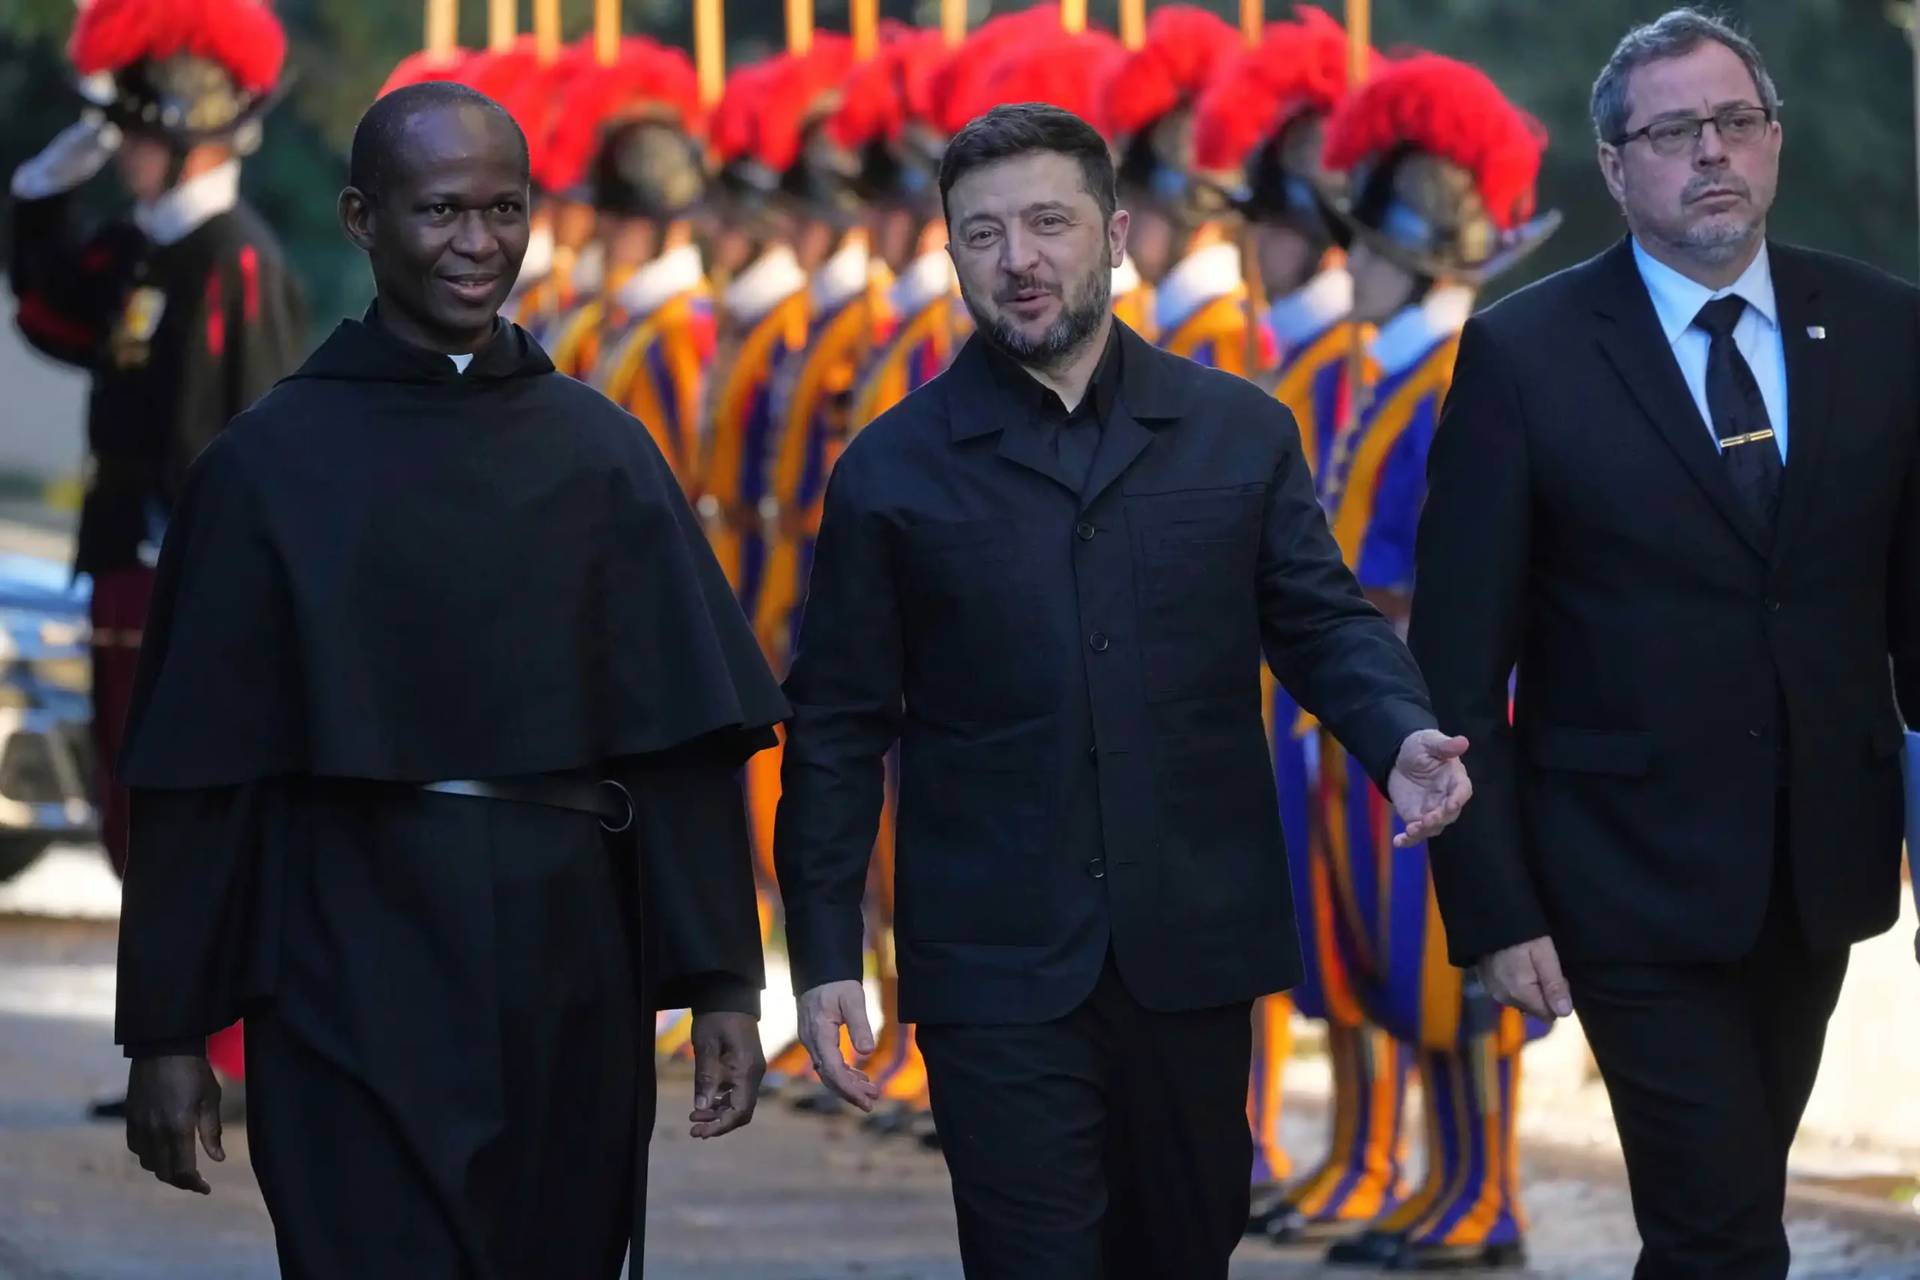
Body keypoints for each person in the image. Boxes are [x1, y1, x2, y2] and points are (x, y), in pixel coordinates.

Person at [775, 101, 1473, 1279]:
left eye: (1049, 222)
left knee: (1178, 1252)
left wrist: (1396, 730)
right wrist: (826, 948)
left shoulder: (1236, 432)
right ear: (951, 255)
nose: (1020, 259)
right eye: (984, 234)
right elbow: (839, 724)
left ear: (1116, 232)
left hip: (1191, 951)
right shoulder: (890, 469)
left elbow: (1318, 619)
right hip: (991, 966)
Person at [113, 82, 783, 1278]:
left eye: (505, 208)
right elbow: (195, 773)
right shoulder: (265, 467)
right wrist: (165, 1026)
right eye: (441, 211)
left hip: (566, 954)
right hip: (344, 946)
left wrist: (726, 978)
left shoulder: (601, 450)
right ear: (364, 218)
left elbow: (680, 742)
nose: (480, 244)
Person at [1408, 10, 1919, 1277]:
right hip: (1621, 880)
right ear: (1616, 163)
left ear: (1776, 144)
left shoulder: (1883, 328)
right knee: (1720, 1227)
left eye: (1735, 122)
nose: (1712, 152)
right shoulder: (1525, 355)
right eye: (1675, 130)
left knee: (1720, 1212)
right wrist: (1493, 909)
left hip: (1819, 871)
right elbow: (1462, 663)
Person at [8, 0, 306, 1105]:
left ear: (186, 133)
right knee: (134, 814)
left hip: (189, 579)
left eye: (135, 132)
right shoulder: (153, 246)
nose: (124, 151)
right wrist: (55, 169)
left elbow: (232, 448)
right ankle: (178, 1046)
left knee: (195, 818)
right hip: (132, 570)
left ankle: (221, 1052)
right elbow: (47, 308)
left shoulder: (231, 258)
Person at [1301, 53, 1562, 1272]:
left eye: (1366, 243)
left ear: (1414, 249)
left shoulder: (1455, 373)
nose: (1345, 261)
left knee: (1456, 964)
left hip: (1443, 708)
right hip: (1382, 704)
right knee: (1392, 960)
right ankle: (1440, 1175)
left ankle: (1487, 1189)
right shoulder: (1396, 370)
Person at [1190, 9, 1398, 1246]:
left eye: (1261, 223)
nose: (1247, 246)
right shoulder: (1302, 355)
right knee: (1317, 922)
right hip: (1269, 674)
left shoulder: (1337, 364)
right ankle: (1341, 1149)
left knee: (1379, 933)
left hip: (1326, 669)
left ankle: (1383, 1155)